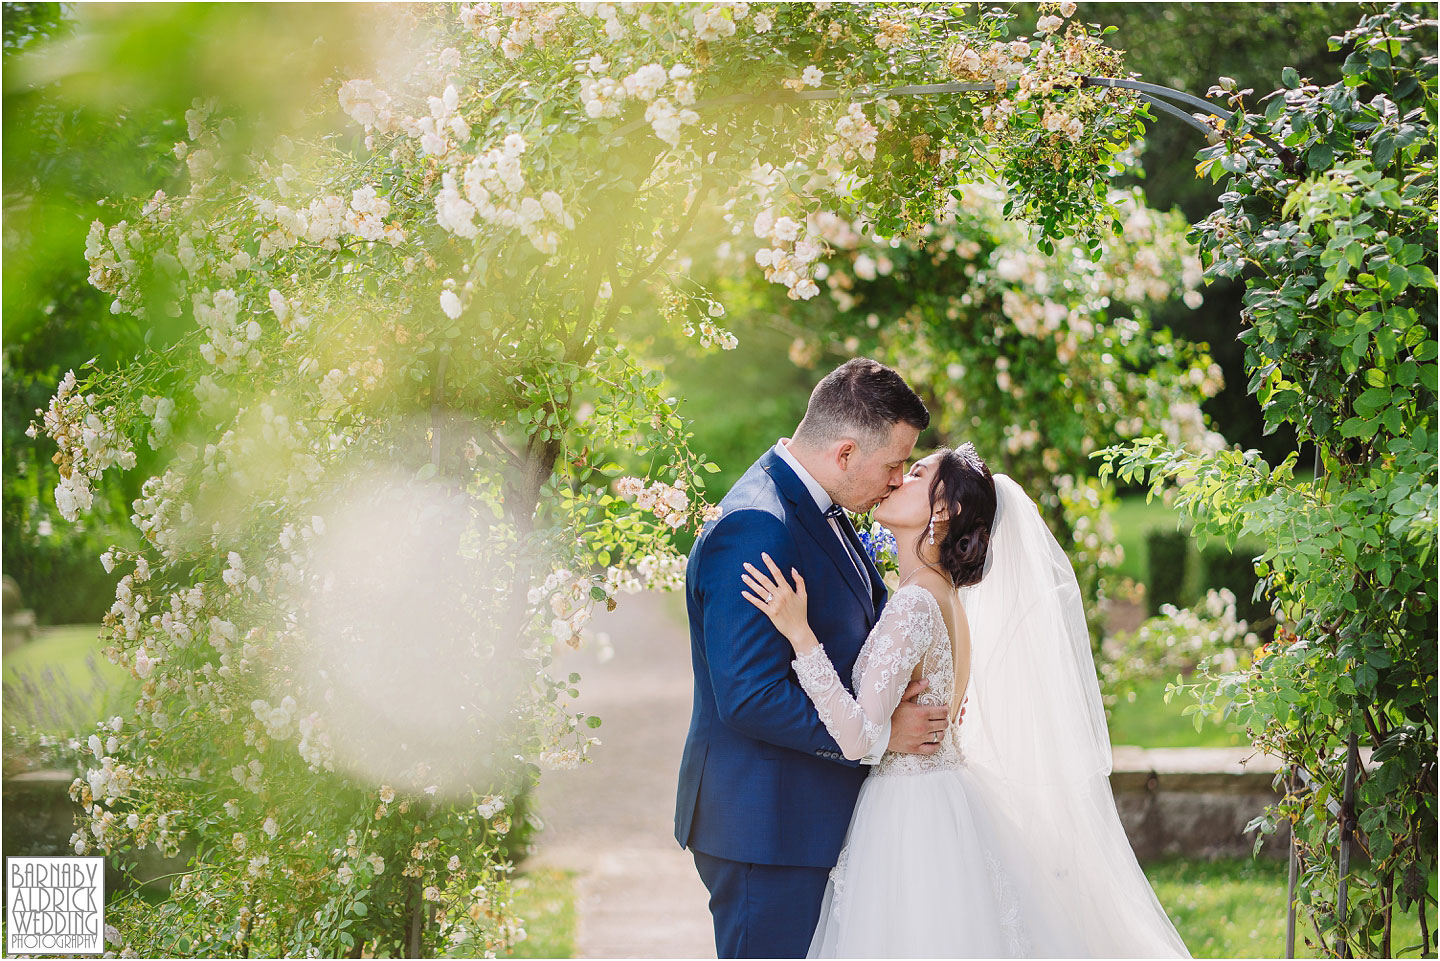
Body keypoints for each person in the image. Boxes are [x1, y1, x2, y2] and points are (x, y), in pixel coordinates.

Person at [740, 444, 1192, 958]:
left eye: (915, 473)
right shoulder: (944, 595)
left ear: (945, 510)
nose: (896, 480)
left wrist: (800, 636)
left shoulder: (913, 603)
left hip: (911, 815)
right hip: (945, 796)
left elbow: (859, 737)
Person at [674, 358, 950, 959]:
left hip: (805, 818)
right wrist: (876, 738)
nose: (900, 479)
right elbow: (749, 695)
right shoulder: (757, 525)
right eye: (894, 463)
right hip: (767, 827)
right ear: (846, 453)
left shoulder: (821, 508)